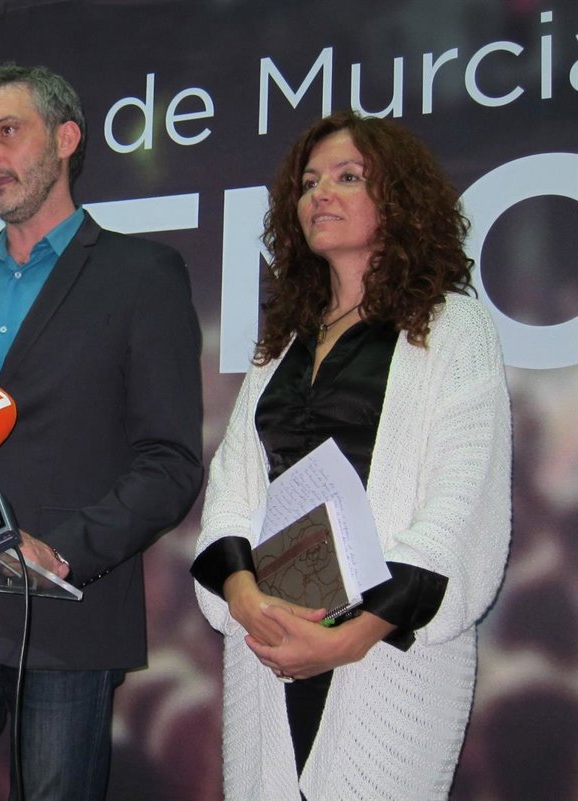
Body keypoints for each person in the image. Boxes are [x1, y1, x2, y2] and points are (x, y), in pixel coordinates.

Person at [0, 62, 203, 800]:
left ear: (66, 138)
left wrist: (59, 553)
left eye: (7, 131)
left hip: (65, 618)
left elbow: (170, 461)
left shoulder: (142, 275)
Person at [191, 110, 512, 800]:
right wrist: (244, 596)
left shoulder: (454, 327)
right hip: (268, 645)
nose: (320, 195)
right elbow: (231, 489)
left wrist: (348, 638)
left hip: (387, 653)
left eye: (347, 177)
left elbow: (460, 506)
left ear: (399, 199)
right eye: (309, 183)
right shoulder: (281, 344)